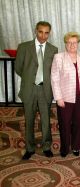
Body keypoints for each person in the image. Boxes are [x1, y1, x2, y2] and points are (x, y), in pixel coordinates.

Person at [15, 21, 58, 160]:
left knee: (46, 120)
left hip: (45, 89)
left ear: (49, 34)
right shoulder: (23, 47)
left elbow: (54, 70)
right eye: (40, 32)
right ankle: (29, 148)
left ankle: (46, 147)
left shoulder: (53, 49)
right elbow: (19, 68)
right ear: (35, 31)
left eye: (46, 33)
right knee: (29, 119)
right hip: (29, 89)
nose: (43, 35)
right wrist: (30, 79)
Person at [51, 32, 80, 157]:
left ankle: (76, 146)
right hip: (65, 98)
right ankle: (65, 148)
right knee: (65, 124)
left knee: (78, 123)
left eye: (75, 42)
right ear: (65, 44)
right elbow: (54, 79)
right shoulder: (58, 57)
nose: (72, 45)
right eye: (69, 42)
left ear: (78, 44)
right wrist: (58, 97)